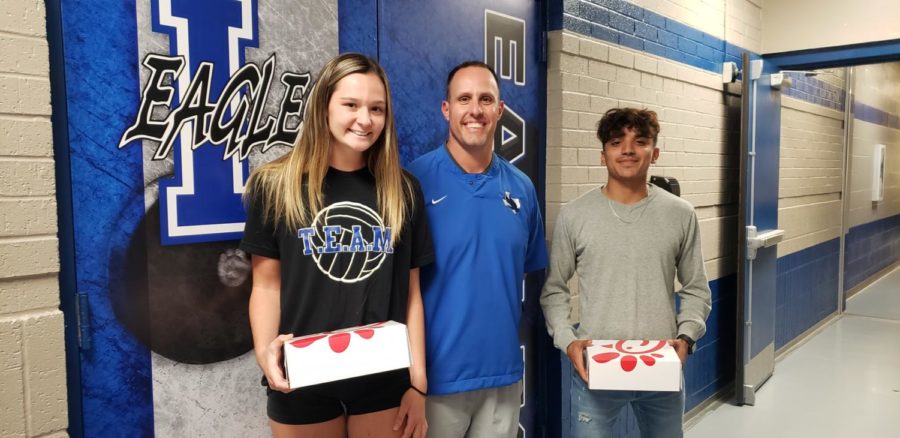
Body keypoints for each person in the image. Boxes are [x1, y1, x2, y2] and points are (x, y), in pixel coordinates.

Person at [240, 53, 433, 438]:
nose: (365, 119)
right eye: (351, 104)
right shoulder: (275, 184)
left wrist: (418, 382)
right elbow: (266, 285)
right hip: (303, 374)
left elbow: (410, 293)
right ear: (324, 106)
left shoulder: (402, 189)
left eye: (376, 108)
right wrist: (265, 353)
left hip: (383, 375)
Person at [540, 108, 712, 437]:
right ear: (603, 156)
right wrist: (569, 342)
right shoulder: (574, 216)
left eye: (640, 141)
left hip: (661, 365)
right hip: (595, 368)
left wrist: (686, 338)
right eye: (617, 142)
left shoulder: (681, 215)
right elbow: (554, 290)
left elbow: (696, 288)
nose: (628, 150)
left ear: (655, 153)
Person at [407, 61, 548, 438]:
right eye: (464, 98)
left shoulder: (522, 188)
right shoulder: (412, 184)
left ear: (500, 110)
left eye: (486, 99)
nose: (475, 110)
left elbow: (527, 268)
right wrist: (413, 378)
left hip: (502, 376)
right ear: (446, 109)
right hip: (435, 380)